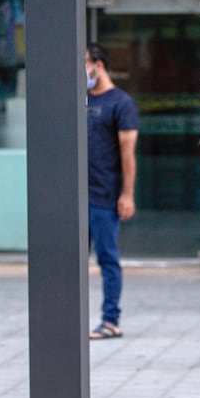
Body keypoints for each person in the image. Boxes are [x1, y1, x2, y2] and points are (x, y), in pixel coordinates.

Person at [85, 42, 139, 340]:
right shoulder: (78, 100)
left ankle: (110, 320)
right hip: (76, 197)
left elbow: (128, 153)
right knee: (70, 259)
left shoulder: (121, 103)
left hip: (104, 195)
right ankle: (69, 315)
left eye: (84, 63)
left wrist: (127, 194)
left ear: (98, 65)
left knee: (107, 258)